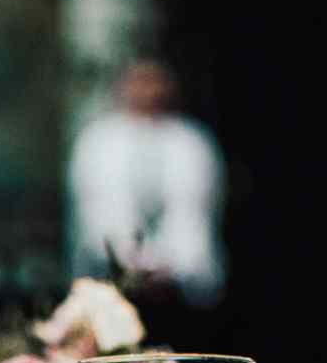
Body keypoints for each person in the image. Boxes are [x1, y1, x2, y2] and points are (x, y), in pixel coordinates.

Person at [68, 60, 227, 306]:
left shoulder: (192, 142)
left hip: (181, 286)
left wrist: (170, 265)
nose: (147, 91)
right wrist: (131, 262)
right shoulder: (97, 142)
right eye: (139, 82)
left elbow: (195, 213)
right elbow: (96, 213)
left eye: (154, 82)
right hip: (113, 282)